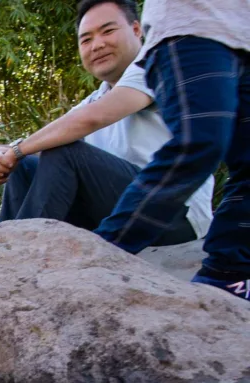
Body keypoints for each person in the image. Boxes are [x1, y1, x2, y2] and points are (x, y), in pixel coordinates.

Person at [0, 0, 213, 247]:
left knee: (66, 151)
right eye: (86, 39)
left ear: (136, 30)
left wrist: (14, 150)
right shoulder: (96, 99)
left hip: (173, 212)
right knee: (25, 165)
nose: (98, 45)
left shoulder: (157, 67)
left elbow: (90, 120)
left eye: (108, 31)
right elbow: (53, 135)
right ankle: (3, 249)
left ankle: (18, 253)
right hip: (121, 209)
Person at [95, 0, 249, 301]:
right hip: (193, 24)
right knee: (199, 142)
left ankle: (227, 274)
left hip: (245, 34)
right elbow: (92, 118)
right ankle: (103, 250)